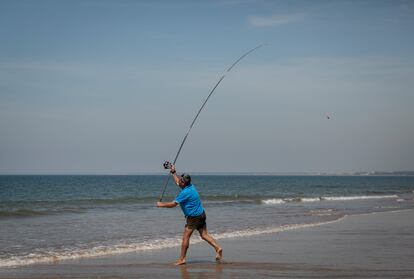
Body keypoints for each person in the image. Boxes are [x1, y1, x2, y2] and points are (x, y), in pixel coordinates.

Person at [157, 164, 223, 265]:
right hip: (201, 214)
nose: (179, 181)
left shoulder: (185, 193)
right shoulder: (190, 186)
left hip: (193, 218)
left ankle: (182, 259)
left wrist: (161, 204)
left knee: (185, 237)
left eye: (181, 180)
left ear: (184, 183)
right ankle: (218, 248)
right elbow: (177, 182)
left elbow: (173, 204)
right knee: (204, 234)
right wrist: (174, 172)